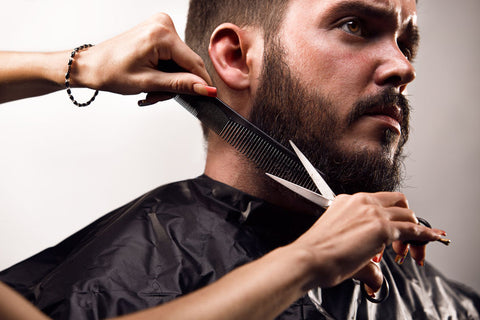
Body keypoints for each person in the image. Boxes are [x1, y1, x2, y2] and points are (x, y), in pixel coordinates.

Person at [1, 1, 479, 320]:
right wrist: (306, 261)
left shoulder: (450, 307)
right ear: (235, 57)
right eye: (354, 26)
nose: (404, 67)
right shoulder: (77, 297)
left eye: (405, 42)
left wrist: (74, 65)